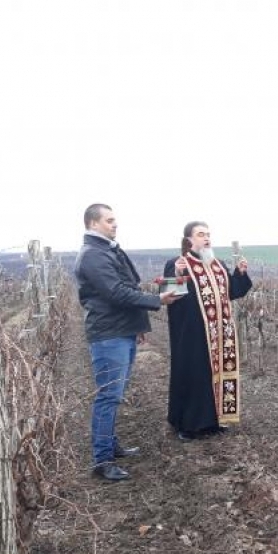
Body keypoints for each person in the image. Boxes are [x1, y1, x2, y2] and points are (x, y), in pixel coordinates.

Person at [74, 203, 179, 482]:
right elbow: (117, 293)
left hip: (121, 330)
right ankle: (102, 461)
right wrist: (157, 300)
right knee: (108, 396)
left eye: (114, 220)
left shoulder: (106, 250)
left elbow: (127, 287)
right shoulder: (93, 255)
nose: (115, 224)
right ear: (92, 223)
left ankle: (110, 444)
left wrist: (137, 326)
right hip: (109, 335)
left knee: (115, 393)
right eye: (109, 220)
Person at [164, 221, 253, 441]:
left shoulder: (218, 265)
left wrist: (239, 274)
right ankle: (188, 425)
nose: (206, 238)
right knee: (194, 375)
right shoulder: (178, 263)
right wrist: (177, 274)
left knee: (218, 375)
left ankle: (216, 420)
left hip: (220, 334)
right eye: (201, 234)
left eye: (208, 234)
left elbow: (231, 292)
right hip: (192, 334)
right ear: (189, 240)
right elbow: (168, 296)